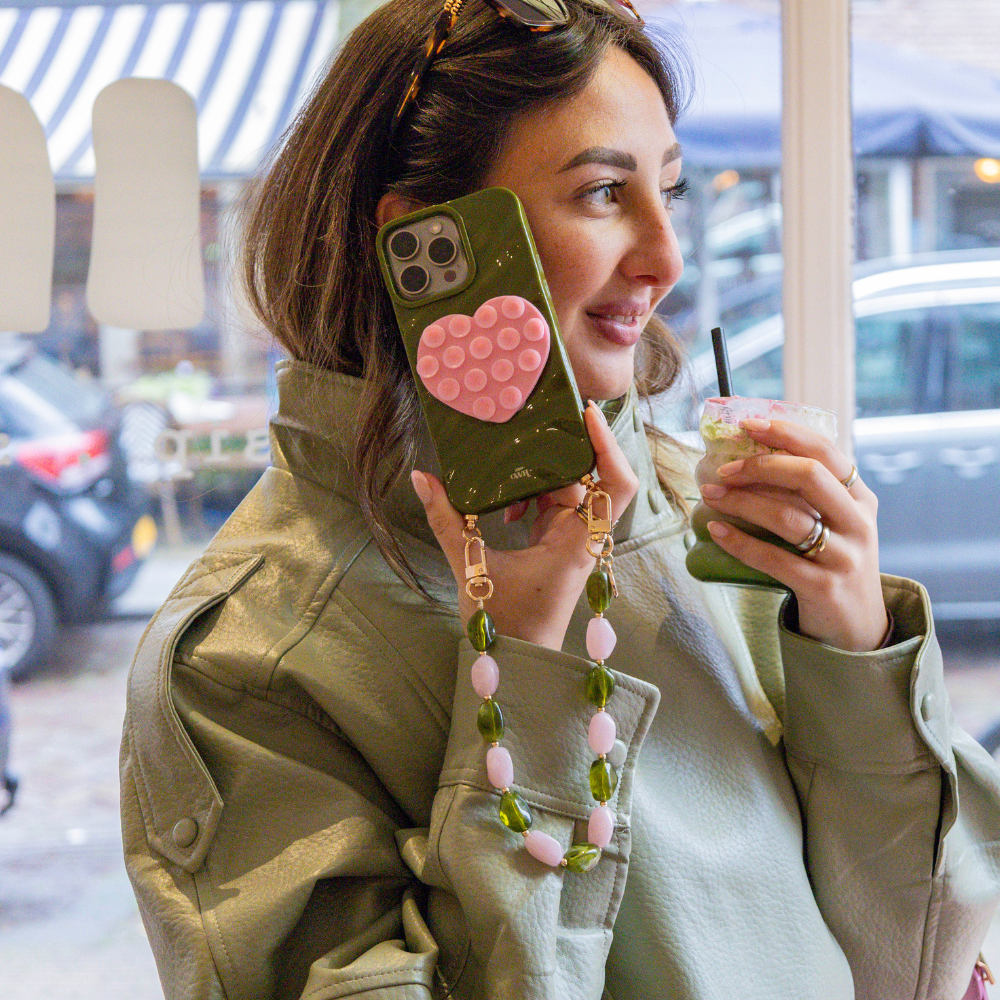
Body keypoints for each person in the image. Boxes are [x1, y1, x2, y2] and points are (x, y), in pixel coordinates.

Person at [119, 0, 1000, 997]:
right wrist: (527, 674)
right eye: (601, 192)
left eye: (668, 187)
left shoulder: (710, 520)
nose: (668, 258)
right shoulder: (243, 667)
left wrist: (854, 655)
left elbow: (911, 969)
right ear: (427, 241)